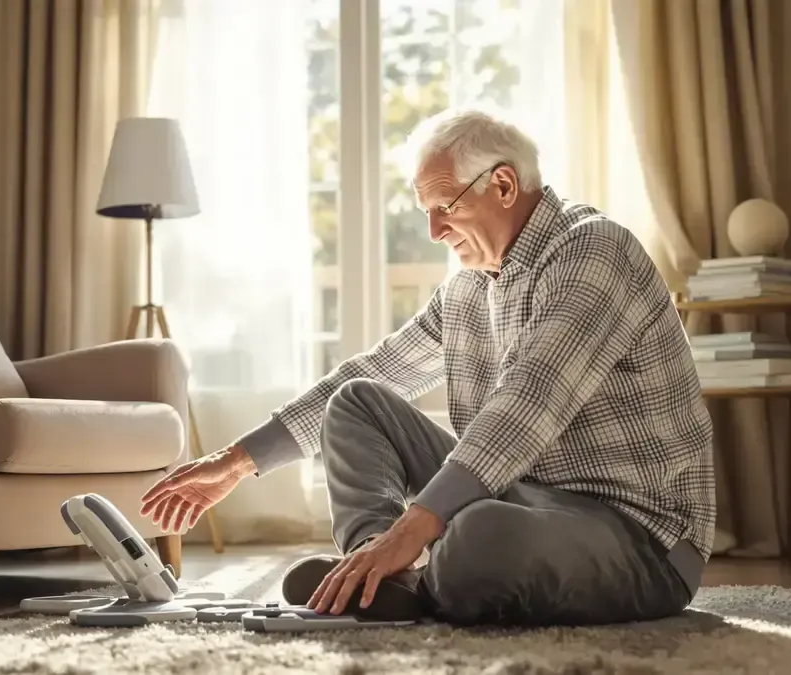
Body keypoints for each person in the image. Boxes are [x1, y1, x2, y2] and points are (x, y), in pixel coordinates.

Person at [139, 108, 714, 626]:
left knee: (477, 535)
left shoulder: (594, 250)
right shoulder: (466, 288)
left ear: (504, 184)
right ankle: (376, 576)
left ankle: (408, 572)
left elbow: (526, 407)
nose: (435, 231)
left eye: (445, 207)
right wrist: (236, 462)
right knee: (357, 403)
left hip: (640, 537)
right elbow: (383, 369)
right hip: (524, 501)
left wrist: (416, 527)